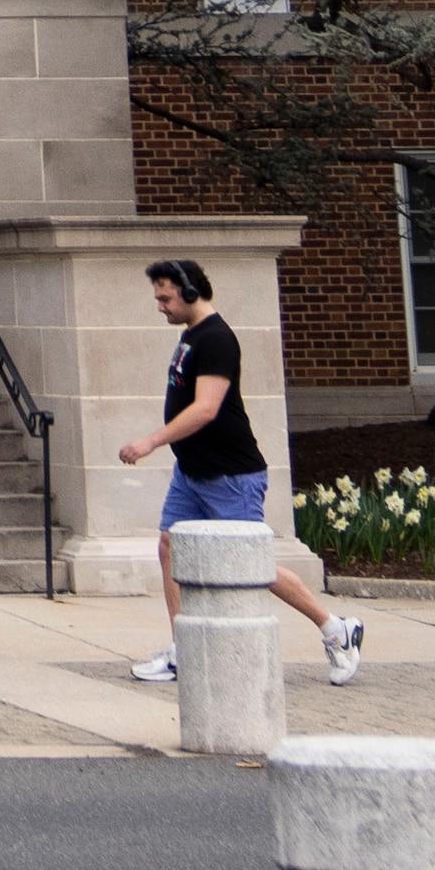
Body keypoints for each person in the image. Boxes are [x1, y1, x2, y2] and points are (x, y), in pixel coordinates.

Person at [118, 255, 362, 686]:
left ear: (191, 291)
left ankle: (336, 629)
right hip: (193, 472)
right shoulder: (192, 336)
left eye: (166, 297)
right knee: (169, 546)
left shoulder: (217, 339)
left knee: (251, 567)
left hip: (230, 475)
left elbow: (206, 409)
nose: (160, 306)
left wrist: (151, 441)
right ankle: (185, 651)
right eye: (158, 297)